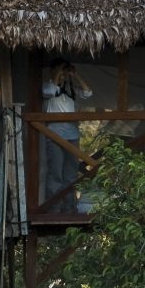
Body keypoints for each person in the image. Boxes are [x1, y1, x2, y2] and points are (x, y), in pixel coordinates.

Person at [42, 57, 92, 213]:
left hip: (72, 133)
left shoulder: (71, 88)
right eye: (60, 70)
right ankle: (54, 208)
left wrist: (75, 75)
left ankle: (69, 207)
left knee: (71, 173)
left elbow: (88, 92)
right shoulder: (47, 86)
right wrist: (58, 73)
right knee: (55, 173)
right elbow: (50, 91)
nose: (63, 74)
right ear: (52, 71)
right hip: (54, 133)